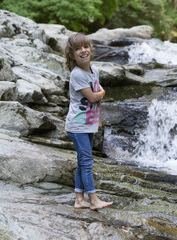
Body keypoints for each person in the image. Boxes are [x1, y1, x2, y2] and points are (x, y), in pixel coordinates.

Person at [64, 33, 113, 210]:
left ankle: (79, 199)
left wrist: (97, 119)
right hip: (77, 126)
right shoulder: (77, 75)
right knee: (87, 162)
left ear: (90, 49)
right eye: (77, 49)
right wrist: (103, 92)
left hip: (88, 124)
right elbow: (93, 96)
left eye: (85, 47)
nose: (83, 51)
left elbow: (96, 99)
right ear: (72, 55)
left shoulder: (94, 71)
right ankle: (93, 200)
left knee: (82, 161)